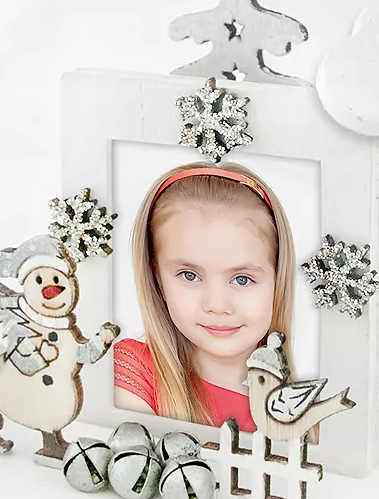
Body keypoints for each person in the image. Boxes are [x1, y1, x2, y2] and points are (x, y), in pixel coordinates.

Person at [114, 162, 296, 431]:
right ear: (157, 279)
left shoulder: (300, 415)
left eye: (242, 279)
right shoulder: (132, 372)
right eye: (189, 275)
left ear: (277, 280)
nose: (217, 305)